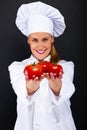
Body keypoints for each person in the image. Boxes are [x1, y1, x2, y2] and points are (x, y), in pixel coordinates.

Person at [8, 1, 76, 130]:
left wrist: (54, 82)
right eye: (34, 40)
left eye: (45, 39)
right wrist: (31, 86)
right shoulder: (17, 67)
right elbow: (22, 92)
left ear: (52, 39)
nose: (40, 46)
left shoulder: (65, 67)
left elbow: (65, 92)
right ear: (28, 40)